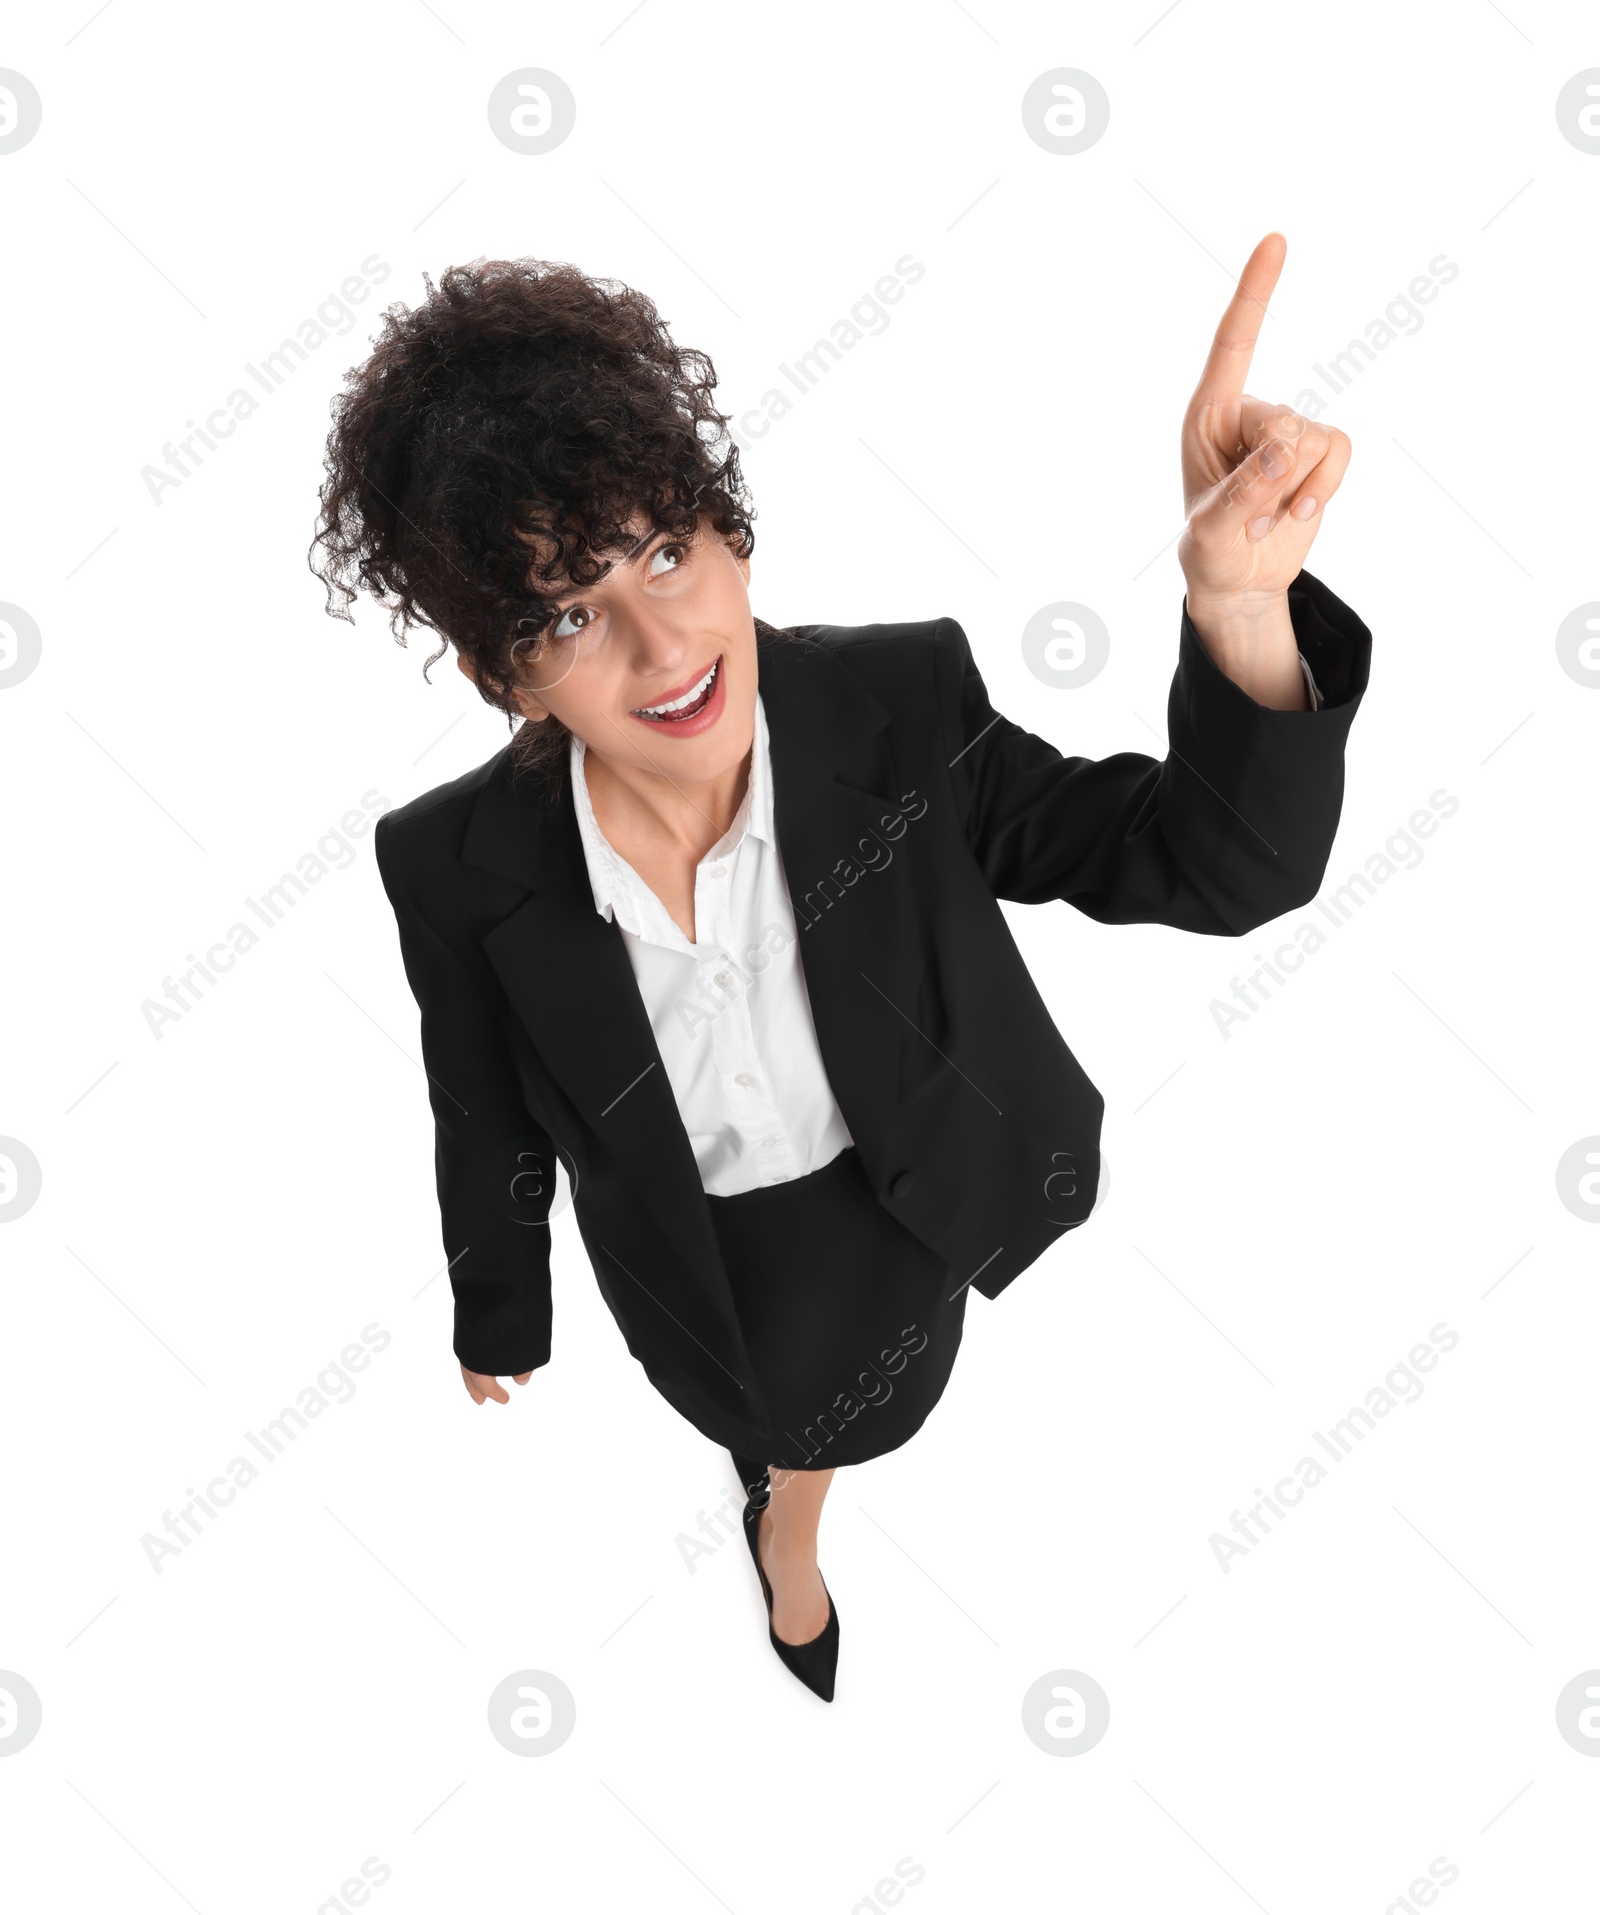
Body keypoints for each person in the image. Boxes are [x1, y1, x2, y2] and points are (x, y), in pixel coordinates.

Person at [308, 235, 1371, 1701]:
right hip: (685, 1254)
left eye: (668, 550)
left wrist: (1243, 609)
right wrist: (500, 1306)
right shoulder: (449, 861)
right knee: (761, 1410)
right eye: (565, 613)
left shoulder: (900, 710)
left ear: (733, 534)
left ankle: (786, 1517)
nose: (661, 640)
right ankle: (781, 1525)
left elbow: (1222, 867)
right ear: (505, 674)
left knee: (854, 1418)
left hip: (901, 1205)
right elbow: (482, 1108)